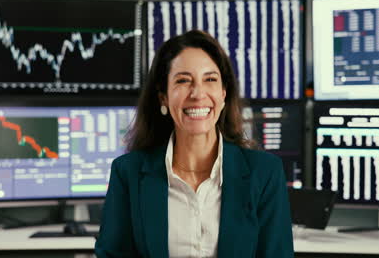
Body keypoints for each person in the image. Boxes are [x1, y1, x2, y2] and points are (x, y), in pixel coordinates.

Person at [95, 30, 293, 258]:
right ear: (163, 97)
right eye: (183, 80)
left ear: (223, 93)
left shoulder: (265, 172)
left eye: (210, 79)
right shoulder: (127, 172)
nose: (198, 93)